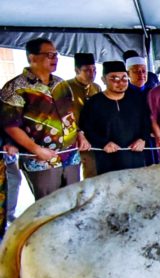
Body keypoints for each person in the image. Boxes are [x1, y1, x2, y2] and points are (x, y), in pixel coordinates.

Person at [0, 38, 88, 200]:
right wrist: (37, 150)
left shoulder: (61, 84)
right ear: (32, 58)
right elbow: (10, 126)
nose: (54, 59)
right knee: (48, 208)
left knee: (74, 204)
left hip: (70, 156)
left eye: (56, 55)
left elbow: (71, 116)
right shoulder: (15, 88)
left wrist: (80, 134)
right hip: (41, 160)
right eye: (49, 55)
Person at [79, 61, 150, 175]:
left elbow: (147, 123)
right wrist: (103, 143)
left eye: (124, 78)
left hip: (135, 159)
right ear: (103, 80)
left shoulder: (137, 100)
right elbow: (86, 128)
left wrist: (142, 139)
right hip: (106, 159)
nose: (121, 82)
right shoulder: (94, 103)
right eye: (114, 78)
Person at [66, 52, 101, 178]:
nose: (92, 74)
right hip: (71, 137)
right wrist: (78, 133)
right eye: (87, 70)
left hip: (92, 137)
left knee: (92, 171)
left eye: (94, 70)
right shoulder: (66, 87)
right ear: (77, 70)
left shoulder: (96, 88)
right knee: (71, 177)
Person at [124, 49, 160, 166]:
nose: (141, 75)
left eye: (144, 71)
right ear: (128, 74)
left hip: (152, 138)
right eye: (136, 72)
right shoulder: (124, 94)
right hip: (133, 141)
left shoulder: (154, 92)